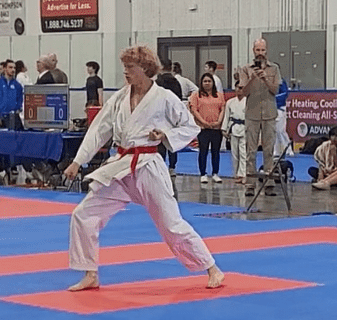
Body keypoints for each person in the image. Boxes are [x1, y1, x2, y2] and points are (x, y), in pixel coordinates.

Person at [62, 45, 224, 292]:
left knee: (171, 224)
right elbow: (100, 129)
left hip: (148, 166)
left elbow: (190, 127)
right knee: (83, 214)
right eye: (124, 67)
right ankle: (90, 273)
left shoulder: (164, 97)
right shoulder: (120, 97)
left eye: (130, 67)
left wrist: (165, 134)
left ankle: (212, 268)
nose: (125, 72)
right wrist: (78, 161)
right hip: (120, 166)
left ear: (146, 69)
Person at [237, 39, 282, 197]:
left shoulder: (274, 68)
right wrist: (253, 78)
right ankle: (250, 184)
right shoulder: (245, 69)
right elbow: (243, 92)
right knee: (251, 150)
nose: (260, 53)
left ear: (266, 50)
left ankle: (269, 182)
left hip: (269, 113)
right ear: (253, 50)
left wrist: (265, 79)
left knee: (269, 150)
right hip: (252, 114)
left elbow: (275, 90)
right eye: (258, 50)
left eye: (263, 50)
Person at [189, 73, 226, 184]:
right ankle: (203, 174)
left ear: (213, 83)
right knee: (203, 151)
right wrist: (203, 122)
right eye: (205, 81)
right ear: (201, 83)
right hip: (203, 128)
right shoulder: (196, 95)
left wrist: (219, 121)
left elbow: (222, 109)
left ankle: (215, 173)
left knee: (216, 152)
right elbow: (194, 110)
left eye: (209, 81)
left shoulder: (219, 95)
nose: (207, 83)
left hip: (216, 128)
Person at [155, 58, 184, 175]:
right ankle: (172, 167)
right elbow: (179, 100)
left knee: (160, 142)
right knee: (172, 141)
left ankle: (161, 166)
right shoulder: (176, 82)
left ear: (161, 67)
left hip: (159, 116)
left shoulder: (157, 82)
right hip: (173, 117)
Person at [223, 83, 247, 183]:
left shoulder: (248, 102)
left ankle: (243, 174)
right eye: (238, 88)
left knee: (243, 153)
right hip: (233, 128)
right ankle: (236, 174)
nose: (239, 90)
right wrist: (224, 129)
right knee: (234, 153)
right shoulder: (230, 102)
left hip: (245, 128)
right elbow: (226, 116)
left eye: (241, 88)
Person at [0, 59, 23, 128]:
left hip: (13, 118)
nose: (13, 70)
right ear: (4, 69)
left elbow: (20, 102)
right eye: (10, 67)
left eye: (14, 68)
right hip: (0, 116)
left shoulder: (18, 85)